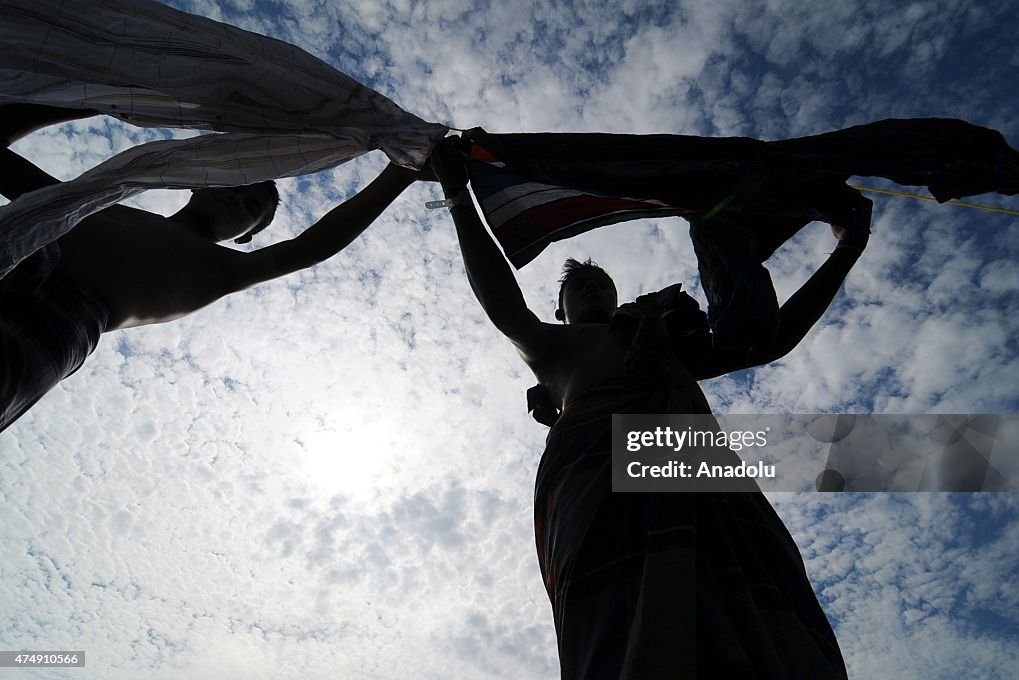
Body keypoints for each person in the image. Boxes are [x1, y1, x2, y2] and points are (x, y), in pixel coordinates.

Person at [431, 137, 864, 678]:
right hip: (594, 467)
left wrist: (847, 249)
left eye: (600, 282)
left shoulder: (658, 338)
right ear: (560, 310)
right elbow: (497, 292)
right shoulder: (553, 348)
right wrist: (457, 195)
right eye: (579, 287)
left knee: (752, 599)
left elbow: (773, 338)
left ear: (615, 296)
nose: (591, 288)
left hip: (694, 465)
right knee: (618, 606)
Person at [0, 105, 422, 431]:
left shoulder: (223, 268)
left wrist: (400, 172)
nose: (238, 200)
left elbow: (308, 248)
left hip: (59, 319)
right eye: (235, 187)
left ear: (247, 235)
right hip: (17, 256)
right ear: (200, 181)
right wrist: (110, 98)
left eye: (251, 207)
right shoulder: (97, 205)